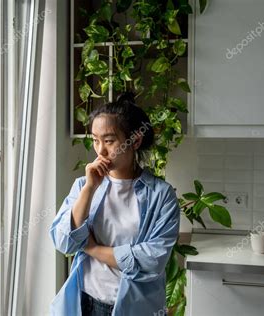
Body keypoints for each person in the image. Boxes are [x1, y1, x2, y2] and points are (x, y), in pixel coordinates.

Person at [49, 92, 180, 315]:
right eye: (95, 141)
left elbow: (152, 261)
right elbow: (64, 242)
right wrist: (90, 188)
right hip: (86, 301)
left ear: (135, 140)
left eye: (109, 141)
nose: (100, 150)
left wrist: (92, 248)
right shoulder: (83, 185)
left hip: (134, 308)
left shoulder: (161, 195)